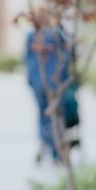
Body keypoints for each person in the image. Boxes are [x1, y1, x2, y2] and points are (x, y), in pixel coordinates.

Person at [24, 25, 74, 164]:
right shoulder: (60, 34)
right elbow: (70, 56)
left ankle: (45, 142)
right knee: (56, 115)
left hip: (38, 81)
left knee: (43, 114)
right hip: (56, 82)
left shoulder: (32, 34)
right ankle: (54, 148)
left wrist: (30, 80)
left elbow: (26, 59)